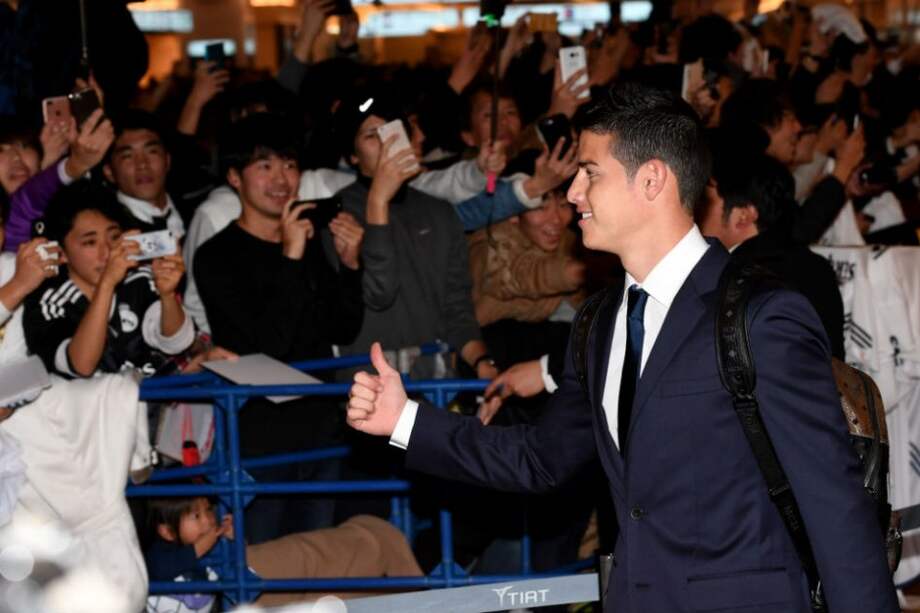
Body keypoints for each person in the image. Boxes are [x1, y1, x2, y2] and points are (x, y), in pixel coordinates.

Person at [345, 82, 898, 612]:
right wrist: (405, 420)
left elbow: (837, 508)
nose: (573, 193)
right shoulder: (601, 321)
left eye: (589, 173)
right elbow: (541, 459)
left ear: (652, 180)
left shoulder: (762, 316)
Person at [23, 181, 194, 378]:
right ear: (61, 253)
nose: (107, 253)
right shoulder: (49, 302)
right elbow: (81, 365)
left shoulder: (139, 279)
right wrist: (107, 284)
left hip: (152, 399)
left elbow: (176, 342)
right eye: (90, 242)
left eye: (114, 238)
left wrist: (167, 295)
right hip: (87, 406)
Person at [145, 496, 422, 611]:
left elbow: (232, 558)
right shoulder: (160, 558)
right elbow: (168, 567)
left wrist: (229, 537)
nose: (208, 519)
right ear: (167, 532)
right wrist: (210, 540)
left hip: (247, 590)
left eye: (208, 510)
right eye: (196, 515)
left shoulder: (208, 546)